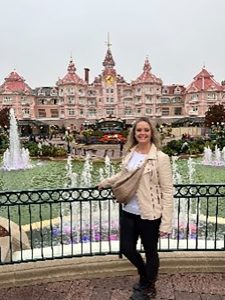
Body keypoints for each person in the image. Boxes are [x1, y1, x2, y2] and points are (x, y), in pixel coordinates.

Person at [97, 117, 173, 300]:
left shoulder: (161, 158)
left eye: (146, 130)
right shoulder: (131, 153)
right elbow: (123, 176)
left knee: (150, 251)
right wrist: (106, 182)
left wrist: (166, 223)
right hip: (128, 211)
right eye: (139, 130)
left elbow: (168, 191)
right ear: (134, 133)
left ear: (152, 133)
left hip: (150, 214)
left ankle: (148, 286)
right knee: (126, 248)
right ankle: (145, 275)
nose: (142, 133)